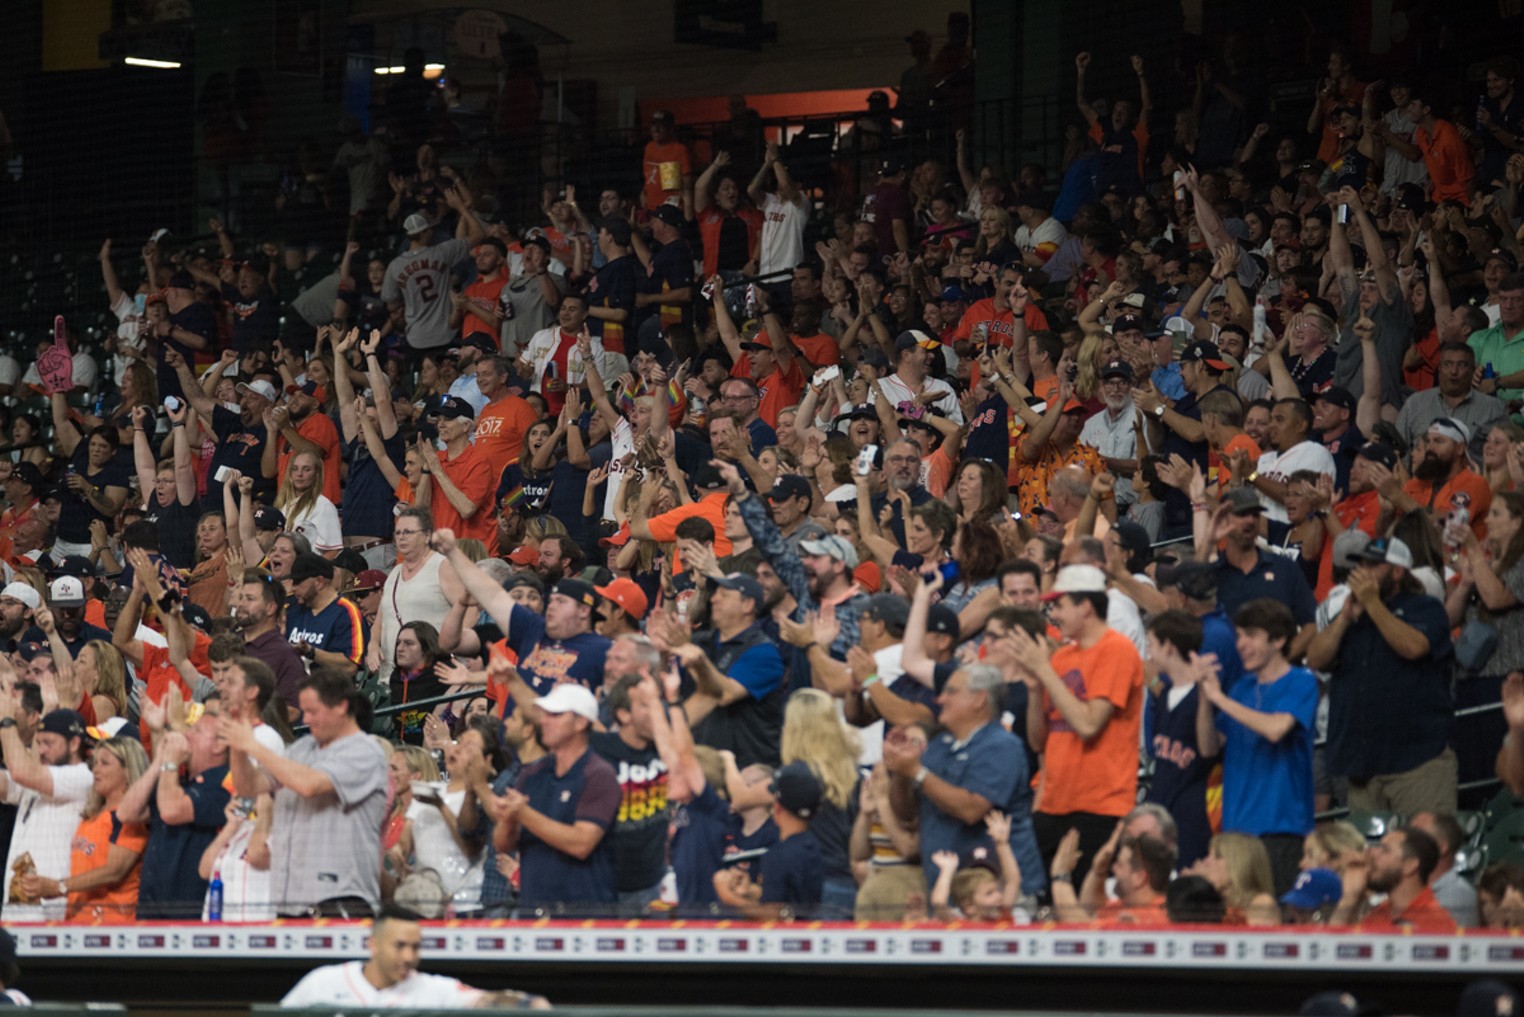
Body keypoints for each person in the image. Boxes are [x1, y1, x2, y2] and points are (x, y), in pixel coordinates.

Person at [221, 668, 389, 918]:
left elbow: (309, 785)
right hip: (289, 900)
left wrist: (252, 745)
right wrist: (238, 746)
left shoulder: (365, 750)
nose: (306, 720)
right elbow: (249, 787)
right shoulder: (302, 748)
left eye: (313, 711)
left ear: (342, 707)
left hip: (341, 899)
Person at [1306, 536, 1457, 816]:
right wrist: (1343, 619)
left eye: (1373, 565)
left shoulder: (1424, 607)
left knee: (1426, 850)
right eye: (1360, 565)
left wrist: (1373, 605)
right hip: (1363, 767)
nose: (1363, 572)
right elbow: (1315, 659)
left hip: (1418, 762)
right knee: (1371, 857)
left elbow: (1413, 647)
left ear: (1398, 571)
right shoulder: (1352, 615)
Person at [1011, 565, 1143, 877]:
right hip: (1053, 802)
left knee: (1085, 912)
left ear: (1085, 607)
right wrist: (1034, 690)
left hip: (1100, 805)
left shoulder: (1117, 649)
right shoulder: (1061, 658)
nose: (1053, 614)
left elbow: (1088, 725)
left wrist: (1043, 671)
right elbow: (1037, 741)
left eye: (1059, 605)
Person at [884, 664, 1045, 901]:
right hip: (947, 890)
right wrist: (901, 771)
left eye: (951, 692)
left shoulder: (1002, 746)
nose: (940, 699)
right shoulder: (939, 745)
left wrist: (916, 771)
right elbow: (906, 814)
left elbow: (971, 809)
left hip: (1000, 893)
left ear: (979, 699)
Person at [1197, 598, 1318, 897]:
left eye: (1250, 635)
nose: (1241, 644)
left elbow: (1276, 729)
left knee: (1274, 923)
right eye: (1238, 635)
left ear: (1278, 640)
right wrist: (1204, 697)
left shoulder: (1301, 681)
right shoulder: (1241, 688)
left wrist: (1221, 699)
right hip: (1235, 832)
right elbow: (1209, 747)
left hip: (1281, 830)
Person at [492, 683, 620, 915]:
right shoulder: (532, 774)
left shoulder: (599, 774)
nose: (544, 721)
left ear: (581, 722)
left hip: (583, 913)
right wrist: (508, 819)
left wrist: (524, 814)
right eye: (545, 714)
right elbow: (502, 844)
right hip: (533, 907)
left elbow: (581, 843)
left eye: (556, 715)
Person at [281, 905, 550, 1008]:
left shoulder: (431, 988)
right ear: (373, 944)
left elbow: (484, 1000)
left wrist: (529, 1004)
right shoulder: (323, 982)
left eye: (415, 947)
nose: (409, 956)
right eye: (399, 946)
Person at [19, 734, 148, 923]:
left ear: (128, 772)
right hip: (78, 922)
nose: (96, 770)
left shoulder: (129, 817)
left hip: (113, 927)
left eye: (105, 763)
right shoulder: (91, 818)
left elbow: (114, 871)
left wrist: (58, 887)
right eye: (95, 763)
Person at [0, 706, 93, 922]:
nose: (40, 751)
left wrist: (6, 721)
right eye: (38, 743)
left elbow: (20, 771)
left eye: (48, 744)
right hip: (18, 907)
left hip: (54, 908)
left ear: (74, 744)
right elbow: (5, 783)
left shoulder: (83, 777)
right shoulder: (36, 778)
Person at [713, 761, 825, 919]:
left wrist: (728, 897)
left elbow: (773, 917)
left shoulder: (777, 856)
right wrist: (751, 890)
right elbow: (789, 904)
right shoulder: (812, 846)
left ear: (777, 808)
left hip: (786, 941)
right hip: (809, 934)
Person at [1330, 826, 1458, 932]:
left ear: (1410, 866)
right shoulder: (1382, 911)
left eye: (1385, 850)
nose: (1371, 853)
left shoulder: (1434, 922)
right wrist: (1350, 897)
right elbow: (1334, 953)